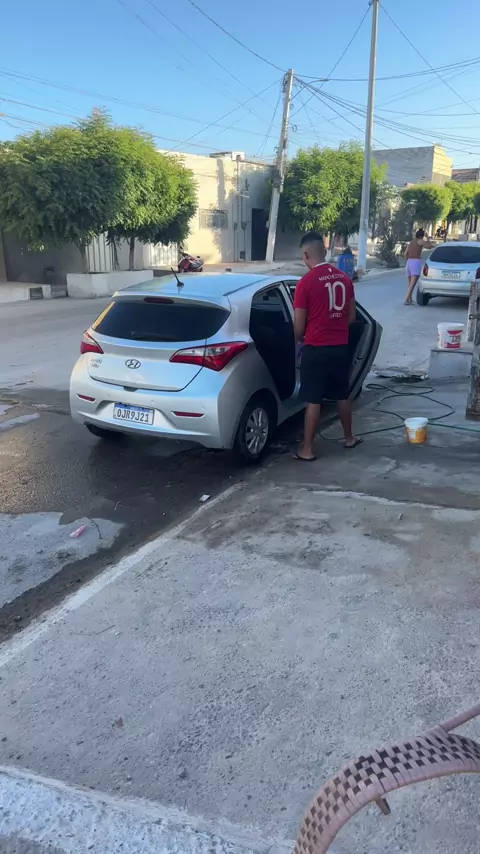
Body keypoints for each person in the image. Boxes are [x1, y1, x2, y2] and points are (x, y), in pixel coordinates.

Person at [293, 231, 361, 462]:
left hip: (316, 349)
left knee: (314, 400)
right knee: (342, 394)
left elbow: (298, 326)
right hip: (340, 347)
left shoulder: (305, 283)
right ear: (324, 251)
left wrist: (299, 340)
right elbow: (351, 317)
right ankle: (349, 438)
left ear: (306, 255)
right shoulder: (344, 278)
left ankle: (307, 449)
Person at [404, 228, 435, 305]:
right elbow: (430, 246)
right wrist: (428, 239)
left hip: (409, 262)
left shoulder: (411, 242)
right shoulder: (420, 241)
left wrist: (407, 261)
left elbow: (405, 254)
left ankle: (410, 299)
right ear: (422, 236)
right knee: (413, 283)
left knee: (410, 283)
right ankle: (406, 299)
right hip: (415, 262)